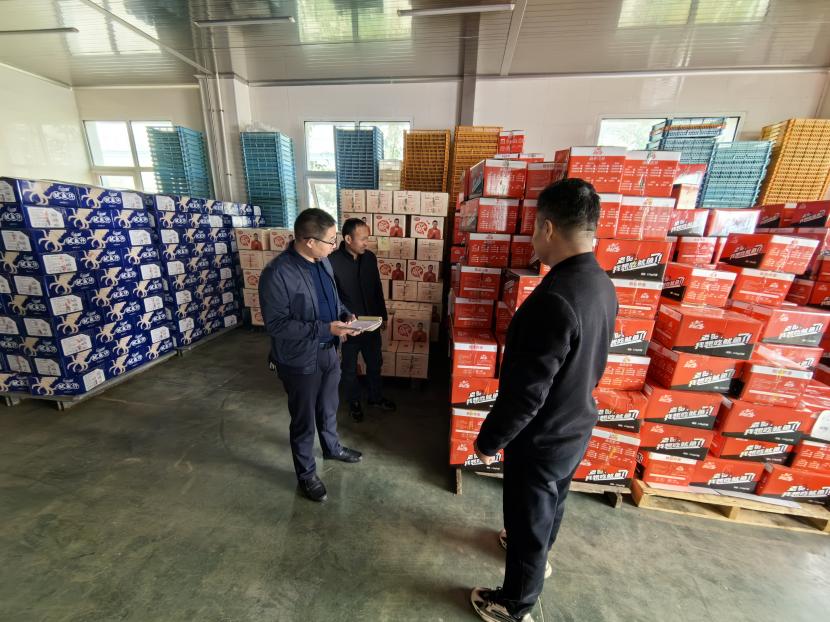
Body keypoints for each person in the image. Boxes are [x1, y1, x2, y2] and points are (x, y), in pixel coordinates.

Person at [470, 179, 618, 622]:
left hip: (541, 436)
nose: (533, 237)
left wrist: (490, 440)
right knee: (550, 504)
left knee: (528, 516)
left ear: (548, 228)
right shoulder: (600, 284)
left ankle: (513, 604)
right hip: (575, 422)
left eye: (535, 227)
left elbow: (527, 393)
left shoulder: (554, 299)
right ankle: (536, 555)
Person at [258, 208, 364, 504]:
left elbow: (333, 299)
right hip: (299, 360)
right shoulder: (277, 274)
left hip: (329, 351)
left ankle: (332, 447)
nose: (335, 245)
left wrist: (345, 315)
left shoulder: (323, 261)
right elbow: (277, 325)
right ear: (308, 241)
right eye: (330, 240)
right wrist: (325, 328)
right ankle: (306, 475)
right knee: (304, 420)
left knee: (329, 407)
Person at [329, 218, 397, 422]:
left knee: (375, 364)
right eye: (363, 239)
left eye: (368, 238)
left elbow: (377, 287)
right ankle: (354, 402)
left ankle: (375, 398)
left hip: (371, 323)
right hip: (348, 326)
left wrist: (383, 316)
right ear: (348, 239)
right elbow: (331, 298)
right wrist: (338, 324)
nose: (366, 243)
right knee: (349, 369)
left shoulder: (369, 258)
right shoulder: (332, 262)